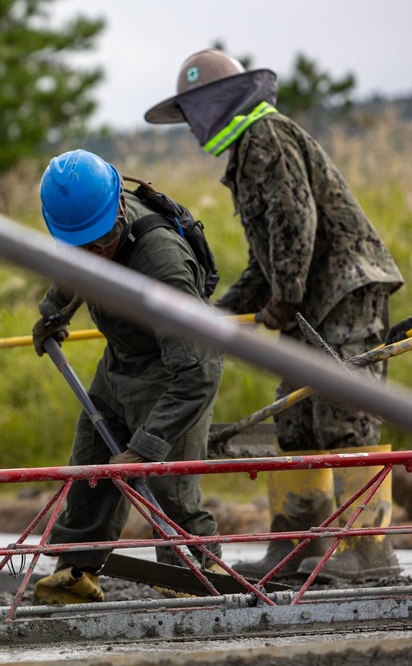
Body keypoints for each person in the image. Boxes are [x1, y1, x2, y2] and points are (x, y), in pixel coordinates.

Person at [144, 48, 405, 581]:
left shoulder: (268, 136)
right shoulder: (245, 153)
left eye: (193, 112)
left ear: (218, 103)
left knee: (343, 415)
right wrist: (216, 315)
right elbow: (266, 259)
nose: (191, 127)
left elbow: (295, 223)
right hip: (307, 298)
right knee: (295, 417)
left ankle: (368, 551)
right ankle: (301, 544)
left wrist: (283, 299)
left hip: (342, 291)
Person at [30, 149, 223, 605]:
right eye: (80, 246)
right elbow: (79, 266)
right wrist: (54, 311)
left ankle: (198, 580)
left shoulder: (162, 265)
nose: (94, 253)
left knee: (168, 485)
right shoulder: (87, 230)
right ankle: (75, 573)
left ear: (119, 208)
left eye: (102, 242)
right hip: (120, 361)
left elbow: (197, 371)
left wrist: (145, 447)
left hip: (172, 370)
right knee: (91, 469)